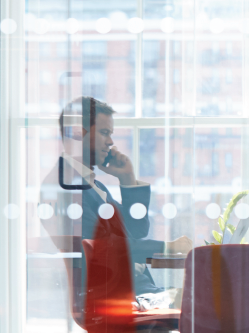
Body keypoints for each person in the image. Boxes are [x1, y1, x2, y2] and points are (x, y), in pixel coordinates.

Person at [40, 96, 192, 297]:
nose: (111, 142)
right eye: (104, 133)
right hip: (111, 296)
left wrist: (127, 180)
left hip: (133, 291)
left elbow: (136, 231)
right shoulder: (63, 186)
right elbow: (105, 248)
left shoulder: (93, 184)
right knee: (200, 303)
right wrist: (168, 247)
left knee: (198, 301)